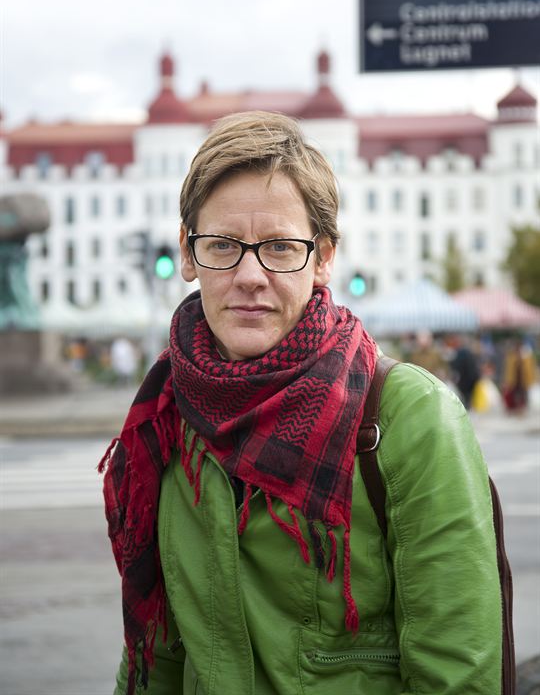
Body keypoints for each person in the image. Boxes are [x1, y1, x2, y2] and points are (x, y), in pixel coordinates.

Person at [100, 112, 503, 694]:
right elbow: (153, 657)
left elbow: (457, 673)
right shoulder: (166, 416)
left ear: (323, 257)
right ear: (187, 253)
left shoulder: (409, 414)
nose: (250, 275)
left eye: (280, 247)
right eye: (222, 246)